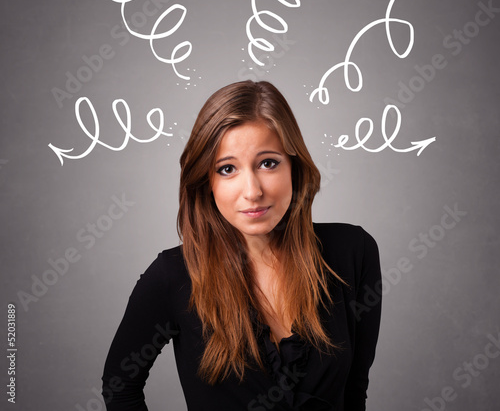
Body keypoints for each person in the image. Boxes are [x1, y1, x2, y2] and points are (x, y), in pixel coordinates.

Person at [101, 80, 382, 410]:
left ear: (295, 166)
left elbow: (354, 391)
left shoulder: (352, 252)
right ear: (207, 182)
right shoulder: (172, 277)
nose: (252, 191)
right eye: (227, 169)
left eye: (268, 163)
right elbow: (120, 387)